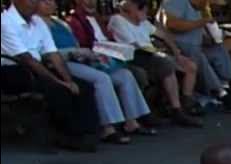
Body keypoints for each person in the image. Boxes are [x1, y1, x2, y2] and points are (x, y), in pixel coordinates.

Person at [37, 0, 150, 145]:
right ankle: (108, 128)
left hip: (81, 57)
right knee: (101, 78)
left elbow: (77, 44)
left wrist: (91, 55)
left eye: (51, 1)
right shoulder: (37, 24)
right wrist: (74, 52)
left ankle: (132, 121)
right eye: (44, 1)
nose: (49, 4)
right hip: (63, 62)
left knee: (124, 75)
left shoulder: (60, 23)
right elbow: (46, 53)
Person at [1, 0, 100, 151]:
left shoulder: (38, 22)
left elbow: (53, 53)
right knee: (57, 89)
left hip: (37, 67)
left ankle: (87, 133)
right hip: (13, 70)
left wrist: (69, 80)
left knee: (83, 86)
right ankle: (66, 134)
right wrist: (60, 83)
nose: (33, 4)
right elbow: (27, 59)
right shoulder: (5, 22)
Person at [106, 0, 204, 125]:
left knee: (189, 65)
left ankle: (186, 103)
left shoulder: (143, 22)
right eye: (142, 9)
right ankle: (176, 110)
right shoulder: (118, 21)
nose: (145, 12)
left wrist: (177, 53)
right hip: (133, 56)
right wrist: (159, 53)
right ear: (132, 8)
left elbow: (163, 35)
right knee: (165, 63)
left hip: (151, 55)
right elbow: (134, 45)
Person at [162, 0, 231, 110]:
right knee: (198, 56)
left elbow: (196, 27)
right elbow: (172, 24)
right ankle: (220, 92)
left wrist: (207, 37)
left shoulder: (198, 7)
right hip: (176, 47)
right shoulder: (175, 2)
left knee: (218, 49)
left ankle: (228, 85)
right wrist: (201, 22)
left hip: (196, 46)